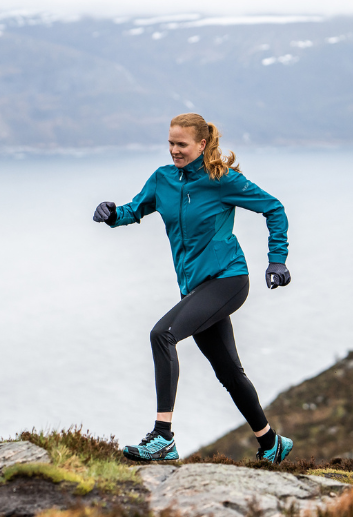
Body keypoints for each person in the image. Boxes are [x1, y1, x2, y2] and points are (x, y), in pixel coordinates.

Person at [93, 113, 293, 464]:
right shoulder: (163, 179)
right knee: (229, 372)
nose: (174, 150)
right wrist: (112, 214)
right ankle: (271, 443)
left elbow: (274, 208)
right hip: (195, 289)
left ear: (201, 145)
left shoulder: (223, 181)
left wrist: (277, 258)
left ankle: (163, 437)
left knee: (162, 335)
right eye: (170, 143)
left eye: (181, 144)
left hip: (228, 280)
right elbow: (134, 210)